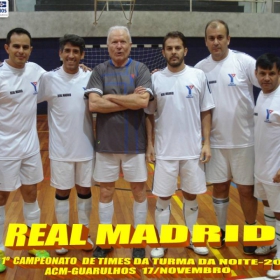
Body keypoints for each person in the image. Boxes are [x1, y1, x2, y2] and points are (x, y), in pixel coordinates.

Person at [145, 31, 215, 258]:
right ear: (163, 52)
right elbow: (148, 114)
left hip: (193, 149)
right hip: (165, 151)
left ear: (185, 51)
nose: (173, 52)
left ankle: (193, 238)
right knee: (163, 198)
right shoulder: (155, 79)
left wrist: (206, 143)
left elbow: (206, 111)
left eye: (177, 48)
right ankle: (162, 242)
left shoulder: (198, 76)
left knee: (191, 195)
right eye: (169, 48)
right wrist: (150, 144)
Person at [85, 26, 153, 259]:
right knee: (105, 192)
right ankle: (105, 241)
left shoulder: (141, 69)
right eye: (114, 42)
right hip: (106, 144)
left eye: (123, 41)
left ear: (130, 45)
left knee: (138, 191)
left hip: (135, 144)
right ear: (108, 45)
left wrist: (109, 96)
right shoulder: (99, 70)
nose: (119, 46)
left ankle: (138, 241)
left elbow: (143, 102)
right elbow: (94, 105)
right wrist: (130, 100)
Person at [195, 20, 259, 254]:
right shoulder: (200, 69)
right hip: (216, 143)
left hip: (245, 141)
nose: (216, 42)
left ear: (228, 39)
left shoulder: (243, 62)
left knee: (246, 190)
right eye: (211, 38)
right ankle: (221, 232)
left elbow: (268, 82)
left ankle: (251, 233)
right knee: (220, 188)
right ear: (206, 41)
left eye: (220, 37)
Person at [37, 34, 95, 255]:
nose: (71, 55)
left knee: (84, 190)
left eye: (76, 52)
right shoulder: (48, 79)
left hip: (86, 148)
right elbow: (26, 100)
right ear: (60, 53)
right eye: (67, 51)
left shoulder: (91, 78)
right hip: (60, 150)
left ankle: (83, 234)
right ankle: (61, 237)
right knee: (62, 191)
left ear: (82, 55)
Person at [0, 28, 49, 272]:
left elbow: (59, 80)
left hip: (30, 148)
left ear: (30, 49)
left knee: (31, 194)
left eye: (25, 47)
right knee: (1, 199)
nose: (21, 51)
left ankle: (35, 242)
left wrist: (81, 71)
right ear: (7, 47)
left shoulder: (36, 71)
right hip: (3, 150)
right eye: (16, 46)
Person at [253, 53, 280, 278]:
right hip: (261, 167)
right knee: (268, 207)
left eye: (271, 73)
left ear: (278, 73)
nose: (267, 78)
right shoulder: (261, 95)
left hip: (276, 169)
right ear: (256, 75)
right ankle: (272, 243)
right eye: (263, 73)